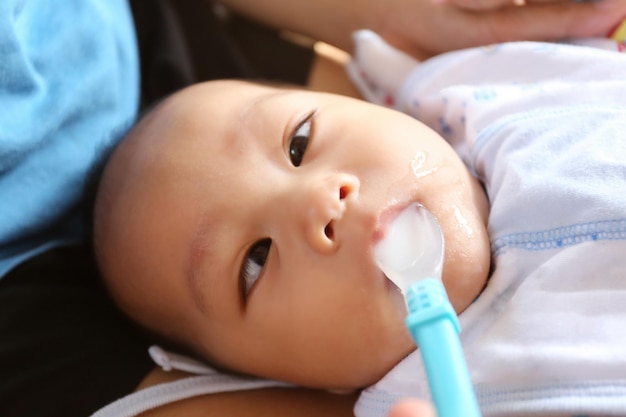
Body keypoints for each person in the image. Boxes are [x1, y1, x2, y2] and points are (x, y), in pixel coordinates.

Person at [2, 0, 626, 415]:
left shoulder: (471, 86)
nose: (319, 205)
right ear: (291, 381)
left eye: (299, 141)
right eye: (254, 262)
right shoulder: (430, 399)